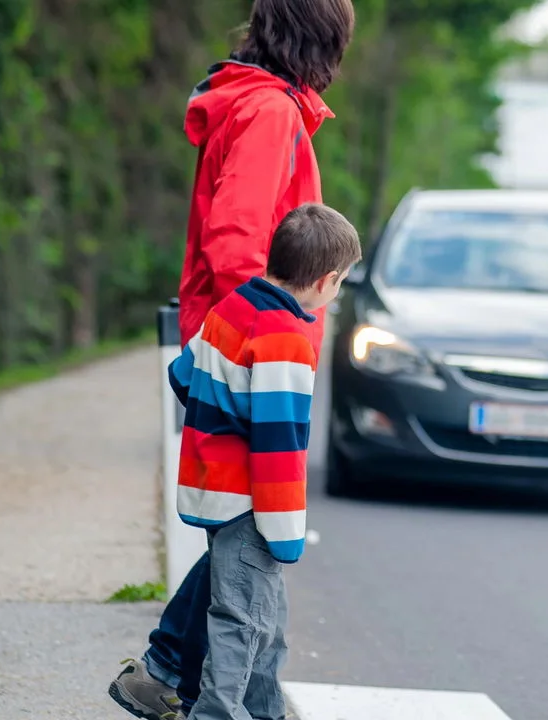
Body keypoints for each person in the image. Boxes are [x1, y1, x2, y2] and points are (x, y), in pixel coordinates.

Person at [108, 1, 354, 718]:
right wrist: (274, 336)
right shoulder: (269, 113)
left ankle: (164, 675)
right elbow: (236, 243)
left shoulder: (259, 105)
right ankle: (193, 686)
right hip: (254, 351)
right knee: (249, 534)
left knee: (238, 535)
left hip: (236, 340)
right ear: (323, 40)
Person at [173, 203, 360, 720]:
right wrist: (285, 532)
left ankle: (264, 711)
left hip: (212, 485)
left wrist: (224, 408)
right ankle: (215, 712)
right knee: (240, 619)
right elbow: (278, 446)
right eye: (341, 283)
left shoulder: (233, 307)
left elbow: (182, 374)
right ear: (325, 281)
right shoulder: (286, 340)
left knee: (265, 615)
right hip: (251, 503)